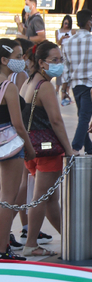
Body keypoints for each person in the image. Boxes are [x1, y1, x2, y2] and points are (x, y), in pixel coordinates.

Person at [20, 41, 79, 257]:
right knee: (41, 197)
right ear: (42, 63)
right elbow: (56, 121)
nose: (59, 64)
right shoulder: (44, 86)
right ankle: (31, 243)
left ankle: (70, 236)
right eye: (55, 60)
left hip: (33, 147)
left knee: (50, 198)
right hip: (48, 150)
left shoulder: (29, 82)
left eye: (61, 60)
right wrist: (69, 149)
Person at [0, 40, 35, 260]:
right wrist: (30, 149)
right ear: (4, 60)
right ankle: (3, 249)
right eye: (17, 56)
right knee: (8, 198)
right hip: (11, 144)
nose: (22, 60)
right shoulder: (8, 87)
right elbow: (18, 124)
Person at [61, 10, 92, 156]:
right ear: (89, 22)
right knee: (84, 117)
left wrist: (63, 89)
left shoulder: (68, 42)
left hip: (75, 85)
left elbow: (66, 67)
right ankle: (75, 147)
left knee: (82, 117)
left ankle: (89, 149)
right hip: (89, 84)